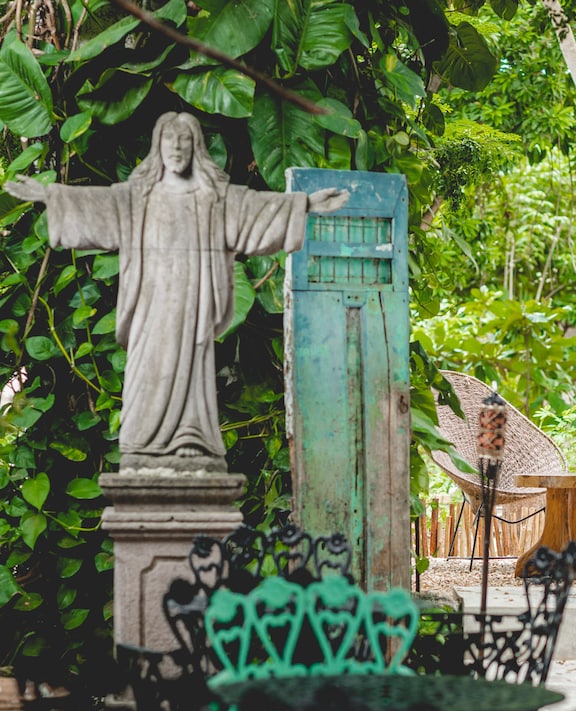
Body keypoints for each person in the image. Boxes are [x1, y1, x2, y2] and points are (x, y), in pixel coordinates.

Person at [5, 111, 348, 471]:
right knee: (149, 374)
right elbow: (98, 207)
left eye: (185, 140)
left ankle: (190, 445)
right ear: (159, 146)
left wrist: (307, 205)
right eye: (170, 140)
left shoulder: (213, 198)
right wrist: (48, 195)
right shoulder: (140, 197)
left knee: (190, 379)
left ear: (196, 147)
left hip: (193, 306)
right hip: (151, 305)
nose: (178, 147)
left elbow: (254, 212)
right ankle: (146, 448)